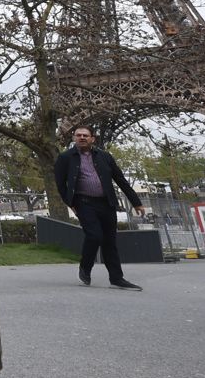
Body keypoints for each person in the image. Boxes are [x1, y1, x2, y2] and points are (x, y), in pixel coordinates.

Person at [53, 125, 146, 291]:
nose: (82, 138)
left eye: (86, 135)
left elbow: (120, 180)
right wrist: (71, 203)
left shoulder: (105, 156)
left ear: (92, 139)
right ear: (73, 138)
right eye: (78, 135)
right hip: (84, 203)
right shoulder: (65, 157)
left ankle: (117, 278)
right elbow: (60, 184)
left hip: (107, 203)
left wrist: (136, 202)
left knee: (110, 242)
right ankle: (86, 266)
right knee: (95, 236)